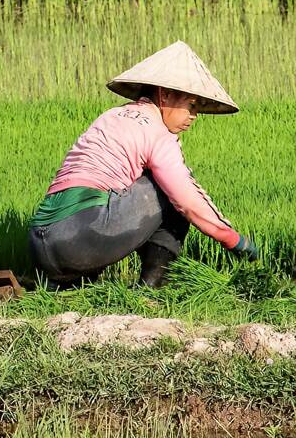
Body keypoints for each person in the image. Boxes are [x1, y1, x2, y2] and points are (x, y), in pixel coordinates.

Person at [26, 41, 257, 289]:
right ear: (165, 95)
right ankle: (150, 291)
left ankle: (68, 283)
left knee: (123, 191)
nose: (194, 116)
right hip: (81, 240)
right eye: (191, 105)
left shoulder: (111, 116)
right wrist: (232, 239)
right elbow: (188, 199)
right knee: (169, 196)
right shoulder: (158, 133)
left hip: (41, 243)